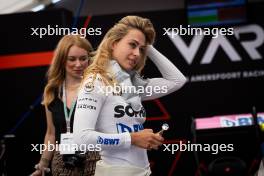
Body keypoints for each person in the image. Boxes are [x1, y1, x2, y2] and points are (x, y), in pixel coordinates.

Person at [73, 16, 187, 176]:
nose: (137, 54)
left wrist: (147, 44)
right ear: (114, 43)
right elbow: (81, 138)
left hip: (142, 171)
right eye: (132, 45)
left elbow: (177, 80)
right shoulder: (96, 82)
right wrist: (132, 139)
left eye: (141, 49)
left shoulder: (134, 85)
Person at [31, 35, 100, 176]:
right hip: (63, 161)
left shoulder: (98, 87)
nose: (78, 64)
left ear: (89, 59)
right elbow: (51, 133)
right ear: (62, 60)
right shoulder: (52, 91)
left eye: (83, 58)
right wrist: (42, 165)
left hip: (96, 157)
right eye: (72, 59)